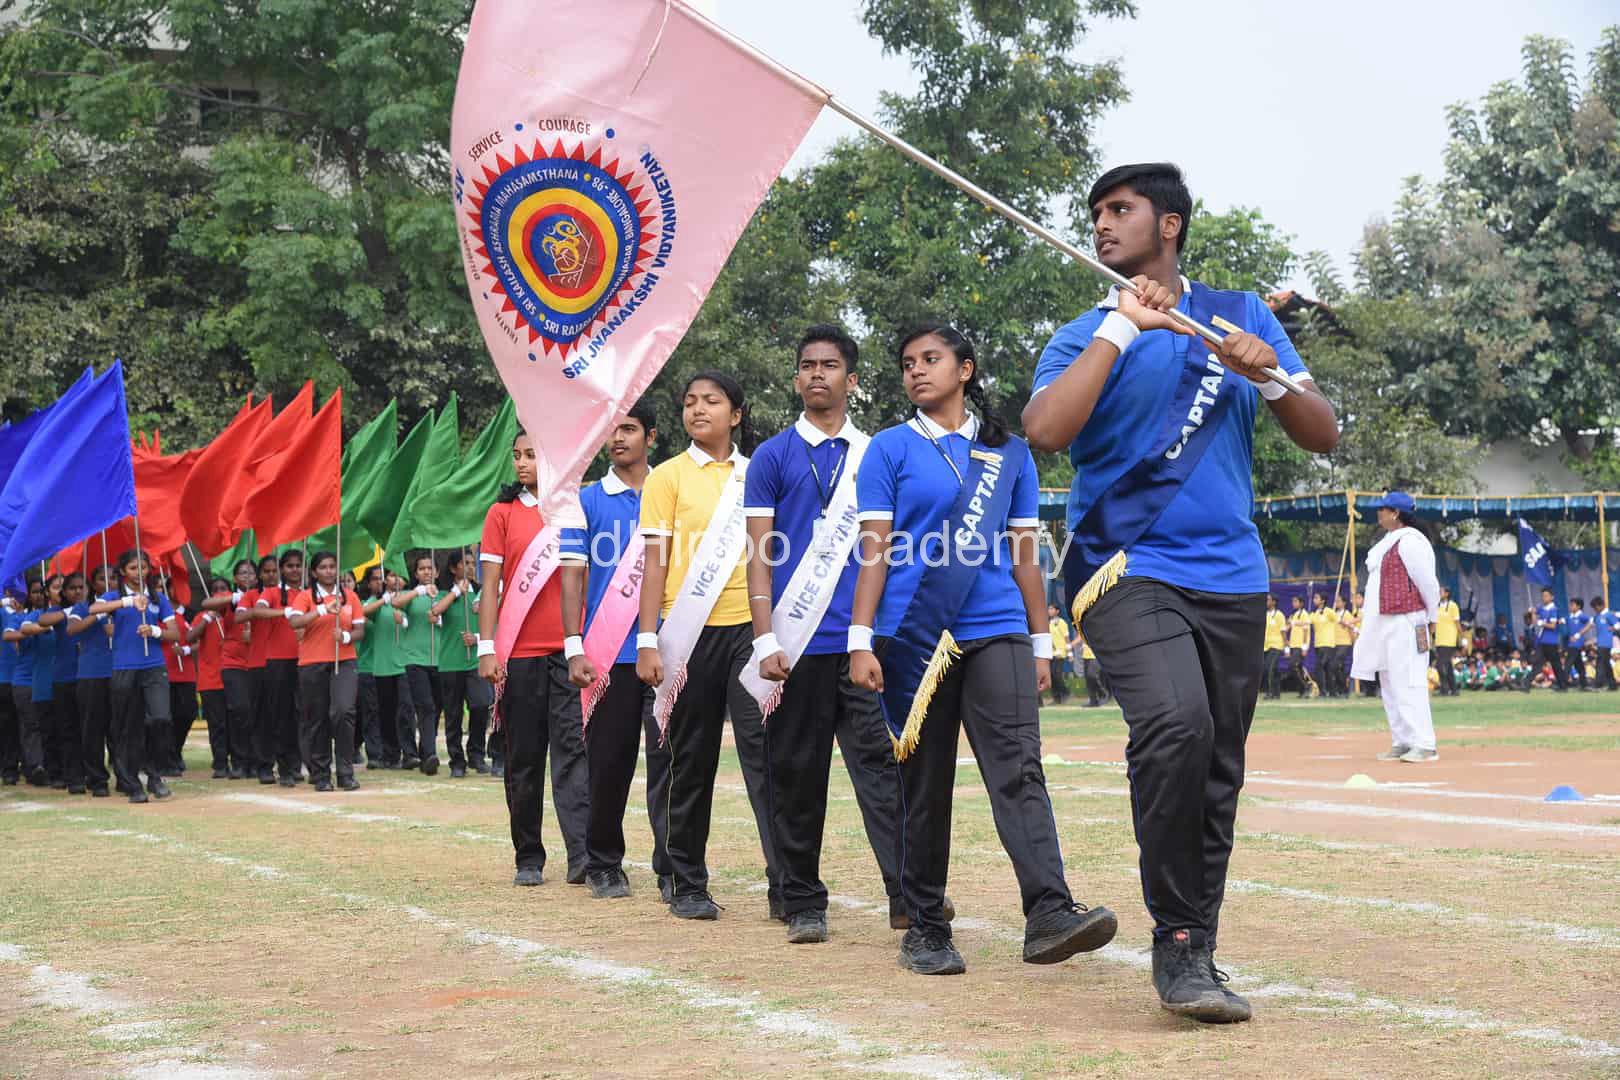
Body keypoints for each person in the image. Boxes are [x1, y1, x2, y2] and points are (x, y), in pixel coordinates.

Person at [1022, 162, 1338, 1021]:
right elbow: (1045, 430)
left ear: (1169, 225)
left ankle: (1193, 947)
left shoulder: (1240, 313)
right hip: (1123, 569)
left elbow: (1323, 434)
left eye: (1119, 210)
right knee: (1174, 723)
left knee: (1216, 768)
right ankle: (1178, 943)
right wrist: (1122, 331)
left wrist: (1269, 377)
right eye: (1094, 212)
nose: (1100, 224)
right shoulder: (1084, 331)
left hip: (1231, 576)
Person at [854, 321, 1118, 977]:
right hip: (915, 636)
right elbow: (874, 551)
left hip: (997, 626)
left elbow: (1027, 554)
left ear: (965, 369)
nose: (916, 370)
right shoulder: (887, 450)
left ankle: (1050, 912)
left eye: (932, 359)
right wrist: (860, 639)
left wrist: (1041, 639)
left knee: (1019, 771)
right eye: (908, 362)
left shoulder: (1011, 455)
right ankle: (926, 928)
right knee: (924, 786)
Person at [739, 327, 908, 943]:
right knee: (796, 776)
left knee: (885, 776)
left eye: (830, 365)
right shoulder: (772, 456)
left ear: (852, 380)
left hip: (863, 646)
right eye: (807, 365)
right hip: (795, 643)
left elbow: (883, 548)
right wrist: (763, 638)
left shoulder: (880, 453)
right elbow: (758, 553)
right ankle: (803, 899)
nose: (817, 375)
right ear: (795, 379)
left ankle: (906, 896)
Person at [636, 371, 779, 920]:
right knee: (687, 760)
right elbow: (654, 564)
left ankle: (785, 880)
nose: (698, 409)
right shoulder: (667, 478)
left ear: (736, 414)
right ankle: (687, 880)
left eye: (712, 401)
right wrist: (648, 639)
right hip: (687, 633)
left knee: (766, 757)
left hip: (751, 630)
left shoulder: (759, 474)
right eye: (690, 402)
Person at [558, 401, 674, 902]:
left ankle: (675, 867)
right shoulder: (586, 500)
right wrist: (574, 648)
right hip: (609, 653)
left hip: (671, 647)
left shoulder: (670, 490)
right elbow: (572, 578)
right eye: (612, 431)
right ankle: (604, 862)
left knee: (671, 764)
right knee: (609, 763)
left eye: (628, 429)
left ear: (651, 435)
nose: (618, 438)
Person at [477, 431, 591, 887]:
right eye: (517, 456)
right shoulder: (501, 514)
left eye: (531, 456)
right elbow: (490, 585)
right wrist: (487, 648)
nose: (522, 464)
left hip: (570, 652)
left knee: (573, 755)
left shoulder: (577, 509)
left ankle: (582, 854)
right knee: (524, 758)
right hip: (519, 656)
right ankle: (529, 856)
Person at [1350, 493, 1441, 764]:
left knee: (1410, 680)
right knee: (1389, 681)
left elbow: (1427, 583)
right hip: (1385, 621)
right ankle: (1403, 740)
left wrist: (1432, 616)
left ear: (1396, 513)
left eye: (1383, 509)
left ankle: (1424, 743)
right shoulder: (1387, 542)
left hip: (1409, 620)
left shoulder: (1411, 542)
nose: (1379, 514)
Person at [88, 550, 180, 802]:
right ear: (122, 572)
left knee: (161, 719)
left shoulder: (157, 598)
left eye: (143, 567)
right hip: (124, 668)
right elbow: (93, 608)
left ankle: (154, 775)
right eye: (132, 568)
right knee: (127, 727)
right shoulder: (113, 597)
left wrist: (154, 631)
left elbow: (175, 633)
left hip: (154, 666)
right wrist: (126, 603)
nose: (139, 572)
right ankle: (130, 783)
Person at [288, 550, 366, 792]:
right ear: (314, 572)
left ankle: (345, 772)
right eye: (323, 567)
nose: (329, 571)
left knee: (344, 712)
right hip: (312, 663)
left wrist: (344, 636)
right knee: (317, 718)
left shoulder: (350, 596)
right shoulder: (304, 597)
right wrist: (323, 610)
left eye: (332, 566)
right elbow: (295, 622)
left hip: (343, 661)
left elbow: (360, 631)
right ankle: (321, 774)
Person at [199, 560, 258, 779]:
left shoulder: (262, 595)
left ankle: (257, 760)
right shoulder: (230, 600)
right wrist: (234, 597)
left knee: (257, 712)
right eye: (242, 573)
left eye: (251, 573)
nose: (247, 576)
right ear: (235, 578)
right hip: (233, 662)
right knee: (239, 711)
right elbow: (206, 603)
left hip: (258, 660)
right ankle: (240, 761)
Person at [434, 548, 490, 778]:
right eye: (465, 563)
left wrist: (476, 638)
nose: (469, 567)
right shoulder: (443, 593)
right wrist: (457, 592)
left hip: (474, 662)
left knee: (480, 705)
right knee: (454, 714)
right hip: (450, 663)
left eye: (472, 563)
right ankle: (457, 761)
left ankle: (476, 754)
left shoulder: (480, 593)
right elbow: (435, 611)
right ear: (453, 568)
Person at [393, 552, 446, 774]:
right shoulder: (410, 595)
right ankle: (429, 754)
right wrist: (418, 591)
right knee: (425, 707)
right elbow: (396, 602)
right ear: (416, 573)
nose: (426, 572)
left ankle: (426, 752)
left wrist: (440, 618)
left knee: (436, 708)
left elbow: (453, 617)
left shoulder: (445, 595)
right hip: (415, 660)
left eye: (430, 568)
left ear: (437, 571)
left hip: (442, 660)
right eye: (422, 569)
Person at [3, 578, 46, 786]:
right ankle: (28, 767)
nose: (39, 595)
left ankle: (41, 766)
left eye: (42, 591)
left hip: (45, 679)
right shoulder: (19, 617)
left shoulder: (53, 615)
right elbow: (8, 635)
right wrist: (35, 629)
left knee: (43, 725)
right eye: (35, 591)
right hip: (19, 679)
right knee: (26, 725)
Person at [189, 576, 233, 778]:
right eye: (215, 590)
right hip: (211, 679)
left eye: (223, 589)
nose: (219, 593)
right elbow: (190, 638)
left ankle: (240, 760)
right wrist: (207, 618)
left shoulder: (234, 614)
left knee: (235, 721)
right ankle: (220, 763)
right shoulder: (202, 616)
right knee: (217, 724)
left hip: (233, 675)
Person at [160, 577, 197, 775]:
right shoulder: (159, 611)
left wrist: (187, 650)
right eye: (177, 585)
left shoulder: (189, 613)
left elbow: (201, 639)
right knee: (167, 716)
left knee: (188, 712)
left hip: (186, 669)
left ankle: (175, 750)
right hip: (165, 669)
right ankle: (168, 756)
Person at [0, 586, 20, 785]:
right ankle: (8, 768)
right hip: (4, 675)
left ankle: (12, 767)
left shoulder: (21, 609)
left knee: (15, 725)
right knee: (6, 725)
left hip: (20, 675)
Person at [1534, 588, 1566, 693]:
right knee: (1550, 663)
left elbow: (1552, 626)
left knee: (1555, 663)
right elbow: (1535, 621)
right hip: (1543, 640)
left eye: (1546, 595)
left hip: (1551, 641)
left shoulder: (1553, 609)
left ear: (1552, 597)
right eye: (1543, 596)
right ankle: (1562, 685)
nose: (1544, 598)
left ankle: (1562, 685)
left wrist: (1542, 623)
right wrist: (1533, 612)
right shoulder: (1542, 609)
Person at [1309, 593, 1339, 698]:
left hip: (1327, 643)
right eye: (1314, 598)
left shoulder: (1329, 612)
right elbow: (1307, 622)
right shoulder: (1314, 613)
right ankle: (1333, 692)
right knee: (1327, 668)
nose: (1314, 600)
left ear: (1322, 601)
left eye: (1316, 598)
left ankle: (1322, 691)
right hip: (1318, 644)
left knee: (1319, 666)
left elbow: (1338, 621)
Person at [1432, 586, 1460, 697]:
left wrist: (1461, 637)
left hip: (1449, 639)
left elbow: (1457, 623)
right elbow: (1434, 623)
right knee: (1447, 665)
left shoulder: (1453, 606)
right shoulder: (1436, 606)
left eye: (1441, 592)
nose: (1439, 593)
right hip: (1439, 639)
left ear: (1447, 593)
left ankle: (1444, 689)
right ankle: (1454, 689)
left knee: (1439, 664)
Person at [1286, 595, 1313, 698]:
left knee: (1293, 665)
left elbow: (1306, 629)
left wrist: (1305, 646)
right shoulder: (1294, 615)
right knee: (1299, 668)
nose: (1294, 603)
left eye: (1296, 601)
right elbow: (1287, 627)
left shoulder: (1304, 614)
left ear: (1301, 603)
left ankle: (1306, 686)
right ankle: (1303, 690)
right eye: (1293, 601)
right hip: (1293, 644)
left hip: (1300, 645)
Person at [1261, 593, 1285, 699]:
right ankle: (1277, 693)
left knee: (1268, 668)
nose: (1267, 602)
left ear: (1274, 602)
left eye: (1269, 600)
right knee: (1274, 669)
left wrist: (1286, 645)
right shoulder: (1265, 614)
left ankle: (1269, 692)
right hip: (1266, 645)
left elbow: (1283, 631)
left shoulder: (1279, 615)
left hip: (1276, 645)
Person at [1565, 597, 1591, 691]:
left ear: (1579, 606)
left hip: (1576, 643)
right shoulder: (1570, 616)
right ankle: (1584, 684)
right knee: (1579, 665)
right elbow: (1562, 621)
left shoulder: (1581, 616)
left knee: (1568, 663)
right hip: (1571, 644)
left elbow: (1590, 623)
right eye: (1570, 604)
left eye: (1572, 605)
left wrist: (1579, 634)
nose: (1570, 606)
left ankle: (1562, 683)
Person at [1593, 596, 1618, 691]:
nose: (1595, 610)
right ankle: (1612, 685)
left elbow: (1618, 625)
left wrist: (1613, 628)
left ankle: (1598, 684)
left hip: (1606, 643)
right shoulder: (1597, 616)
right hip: (1600, 643)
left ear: (1601, 605)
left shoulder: (1609, 615)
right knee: (1606, 664)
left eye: (1596, 607)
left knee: (1600, 663)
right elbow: (1591, 624)